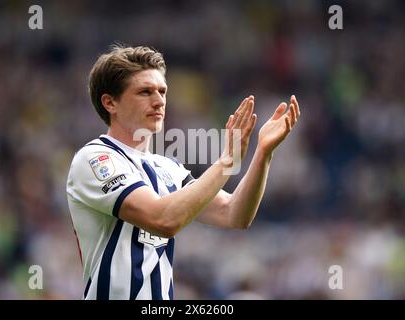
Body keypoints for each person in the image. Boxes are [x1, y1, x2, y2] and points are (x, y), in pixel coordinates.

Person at [66, 45, 300, 300]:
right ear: (110, 102)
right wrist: (226, 161)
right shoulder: (95, 159)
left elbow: (234, 213)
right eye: (145, 91)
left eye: (162, 91)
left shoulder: (168, 169)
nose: (159, 100)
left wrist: (263, 153)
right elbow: (163, 220)